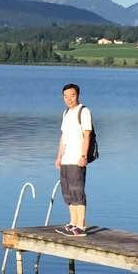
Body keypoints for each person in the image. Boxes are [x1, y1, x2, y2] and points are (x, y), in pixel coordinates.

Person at [54, 82, 93, 234]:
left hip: (77, 158)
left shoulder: (83, 111)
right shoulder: (66, 113)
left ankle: (81, 226)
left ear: (78, 95)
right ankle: (72, 223)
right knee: (68, 192)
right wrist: (59, 157)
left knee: (78, 191)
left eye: (72, 95)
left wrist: (83, 156)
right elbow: (63, 137)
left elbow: (87, 135)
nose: (69, 99)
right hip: (66, 160)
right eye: (65, 96)